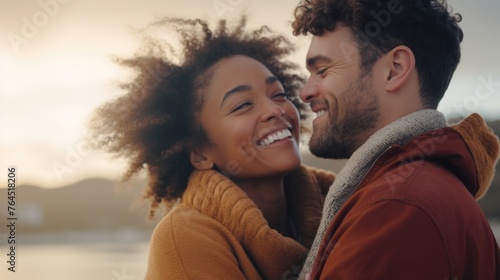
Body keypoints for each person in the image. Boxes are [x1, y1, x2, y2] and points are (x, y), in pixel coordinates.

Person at [88, 17, 337, 279]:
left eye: (279, 94)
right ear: (200, 153)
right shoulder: (184, 239)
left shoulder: (342, 197)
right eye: (242, 105)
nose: (275, 110)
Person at [291, 0, 500, 279]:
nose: (305, 92)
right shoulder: (427, 190)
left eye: (323, 70)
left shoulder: (397, 208)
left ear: (395, 69)